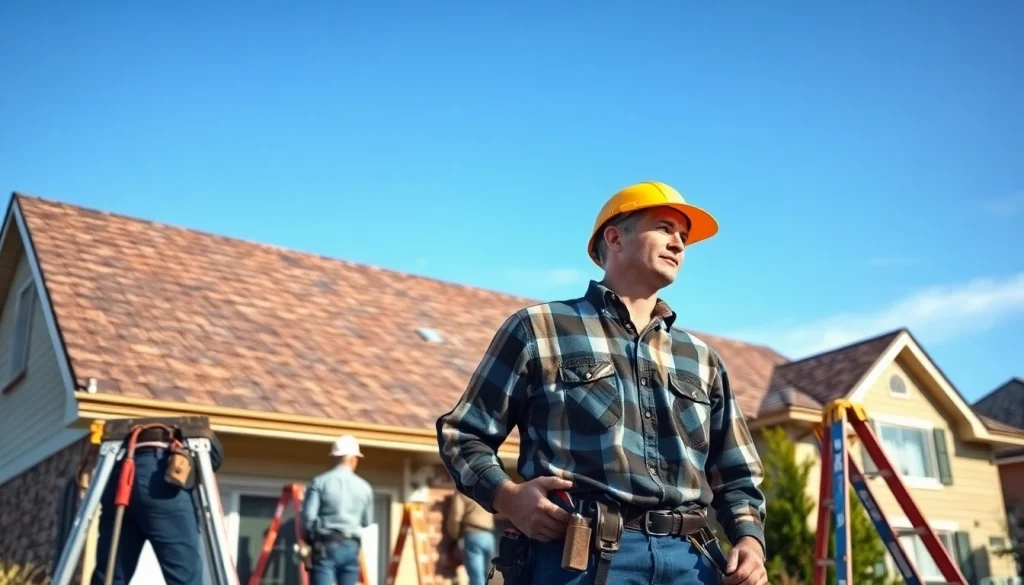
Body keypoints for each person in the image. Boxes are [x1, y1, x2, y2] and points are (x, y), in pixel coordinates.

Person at [436, 181, 769, 585]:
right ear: (614, 237)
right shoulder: (539, 329)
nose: (679, 244)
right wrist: (507, 497)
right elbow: (462, 434)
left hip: (692, 561)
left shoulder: (702, 359)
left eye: (684, 237)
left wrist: (749, 541)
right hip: (579, 557)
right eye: (665, 228)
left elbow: (738, 474)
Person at [91, 424, 224, 585]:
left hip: (119, 468)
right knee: (185, 579)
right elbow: (215, 457)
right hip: (162, 473)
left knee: (110, 577)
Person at [301, 434, 374, 585]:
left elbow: (308, 518)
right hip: (351, 547)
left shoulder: (320, 482)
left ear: (334, 458)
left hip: (325, 546)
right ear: (354, 459)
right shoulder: (365, 487)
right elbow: (367, 521)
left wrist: (308, 538)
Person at [444, 491, 497, 585]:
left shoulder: (462, 492)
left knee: (476, 577)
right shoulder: (485, 492)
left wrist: (454, 536)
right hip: (489, 536)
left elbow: (455, 517)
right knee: (488, 576)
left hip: (473, 535)